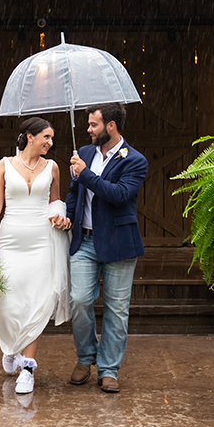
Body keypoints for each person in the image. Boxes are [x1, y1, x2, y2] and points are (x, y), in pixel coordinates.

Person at [0, 117, 72, 395]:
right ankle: (11, 348)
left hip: (42, 241)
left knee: (39, 301)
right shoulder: (5, 164)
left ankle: (27, 368)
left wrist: (61, 216)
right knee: (7, 301)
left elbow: (55, 202)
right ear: (30, 137)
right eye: (46, 137)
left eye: (52, 138)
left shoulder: (52, 167)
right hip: (11, 240)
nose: (50, 143)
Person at [65, 103, 147, 394]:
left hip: (119, 243)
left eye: (94, 125)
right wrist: (68, 216)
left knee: (117, 309)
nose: (88, 129)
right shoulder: (85, 153)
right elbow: (74, 192)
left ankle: (109, 369)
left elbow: (120, 195)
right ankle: (86, 356)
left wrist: (86, 174)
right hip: (84, 241)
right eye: (88, 124)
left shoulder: (134, 160)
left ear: (111, 126)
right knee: (79, 300)